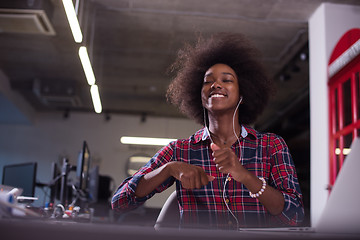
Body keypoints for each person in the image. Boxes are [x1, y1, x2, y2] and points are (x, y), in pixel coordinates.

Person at [112, 33, 304, 230]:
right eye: (207, 81)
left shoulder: (271, 146)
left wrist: (245, 176)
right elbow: (119, 202)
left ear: (243, 94)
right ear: (200, 96)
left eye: (227, 80)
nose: (216, 84)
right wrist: (168, 169)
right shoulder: (180, 150)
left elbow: (294, 216)